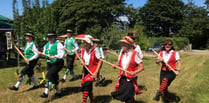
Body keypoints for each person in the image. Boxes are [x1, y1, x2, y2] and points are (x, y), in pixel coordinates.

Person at [111, 36, 144, 103]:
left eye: (124, 44)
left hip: (131, 79)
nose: (121, 46)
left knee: (127, 95)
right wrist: (115, 65)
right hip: (123, 77)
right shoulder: (122, 53)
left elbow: (142, 67)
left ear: (129, 45)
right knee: (127, 97)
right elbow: (119, 62)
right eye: (121, 44)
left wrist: (135, 72)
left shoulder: (135, 54)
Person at [39, 32, 64, 98]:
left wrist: (55, 56)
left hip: (58, 63)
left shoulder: (58, 44)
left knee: (49, 75)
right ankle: (59, 92)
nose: (49, 38)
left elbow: (62, 54)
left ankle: (45, 92)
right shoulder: (46, 45)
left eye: (51, 37)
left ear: (54, 37)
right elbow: (45, 52)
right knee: (54, 77)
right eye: (48, 37)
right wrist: (41, 53)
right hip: (50, 63)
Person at [80, 36, 102, 103]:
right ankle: (92, 100)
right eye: (84, 42)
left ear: (90, 43)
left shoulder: (95, 50)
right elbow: (82, 59)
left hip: (93, 71)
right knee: (88, 86)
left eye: (86, 42)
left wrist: (96, 72)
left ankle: (84, 102)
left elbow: (100, 61)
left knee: (86, 86)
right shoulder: (83, 50)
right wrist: (82, 61)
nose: (85, 44)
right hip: (86, 70)